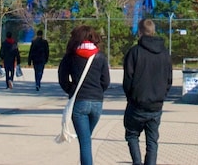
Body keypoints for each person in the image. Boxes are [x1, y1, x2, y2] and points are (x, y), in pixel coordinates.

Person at [122, 18, 173, 165]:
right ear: (153, 31)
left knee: (132, 135)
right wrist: (161, 96)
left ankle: (137, 162)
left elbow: (127, 80)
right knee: (152, 141)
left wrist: (131, 97)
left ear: (140, 32)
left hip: (137, 103)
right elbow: (169, 80)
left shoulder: (134, 52)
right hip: (156, 105)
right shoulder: (165, 54)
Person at [58, 25, 111, 165]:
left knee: (85, 142)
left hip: (79, 102)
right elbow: (106, 81)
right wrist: (98, 91)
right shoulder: (100, 56)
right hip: (97, 103)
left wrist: (72, 90)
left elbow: (62, 79)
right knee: (86, 138)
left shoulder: (71, 56)